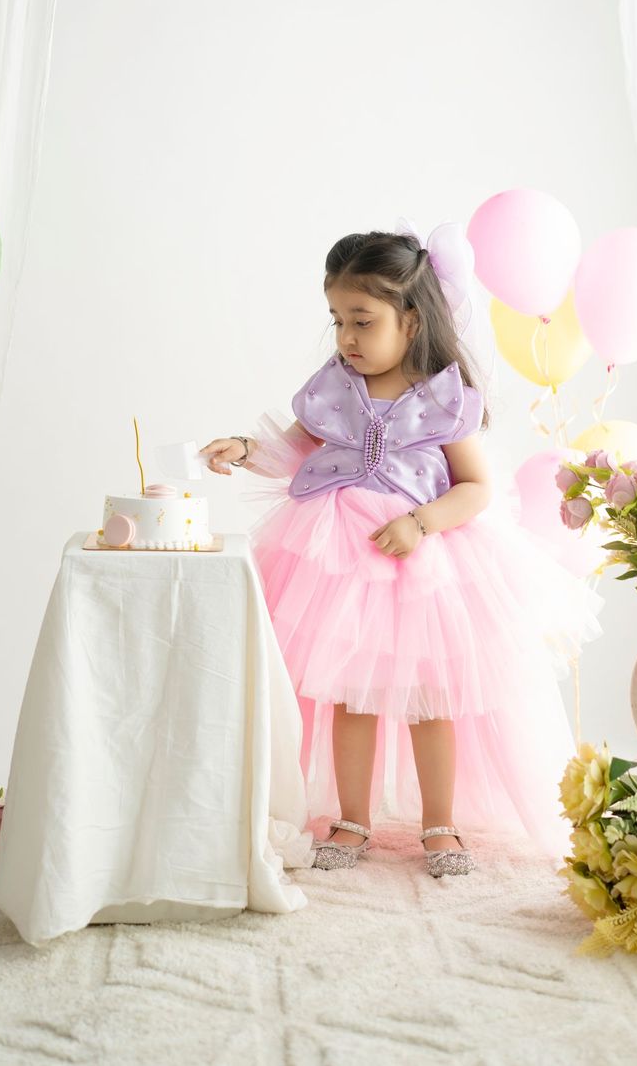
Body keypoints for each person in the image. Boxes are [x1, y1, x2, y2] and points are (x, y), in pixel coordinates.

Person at [201, 227, 603, 877]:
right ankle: (352, 817)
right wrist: (246, 450)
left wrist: (422, 522)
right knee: (351, 695)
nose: (347, 338)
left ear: (411, 321)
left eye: (363, 321)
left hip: (423, 566)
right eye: (338, 321)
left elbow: (476, 488)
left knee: (431, 698)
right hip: (341, 555)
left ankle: (439, 822)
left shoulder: (443, 396)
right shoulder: (335, 385)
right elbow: (298, 449)